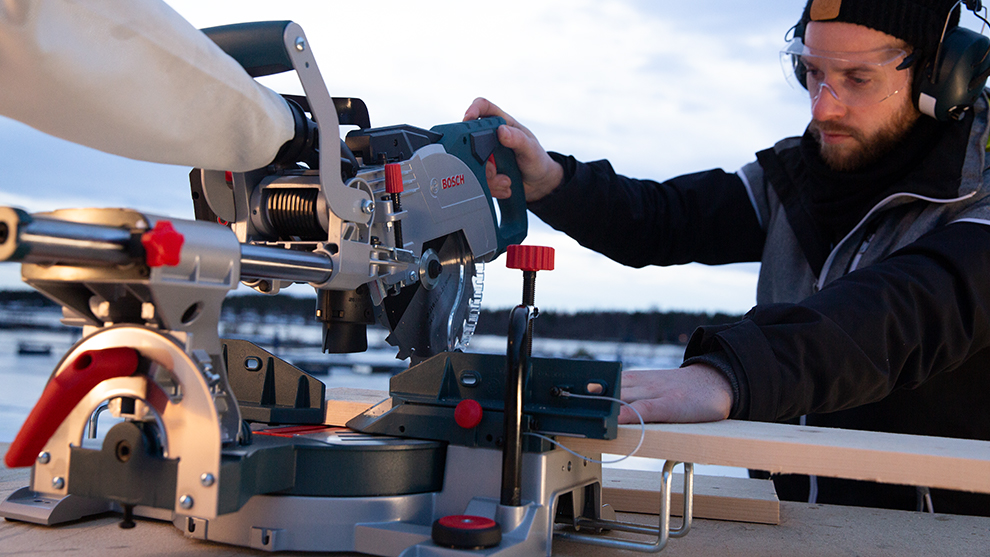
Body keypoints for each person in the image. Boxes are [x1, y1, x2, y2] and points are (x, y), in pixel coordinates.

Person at [465, 0, 990, 515]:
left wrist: (727, 375)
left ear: (939, 78)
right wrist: (553, 183)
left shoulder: (980, 194)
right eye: (811, 72)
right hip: (791, 521)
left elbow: (910, 308)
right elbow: (667, 218)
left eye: (857, 78)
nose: (822, 106)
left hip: (936, 533)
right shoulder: (796, 177)